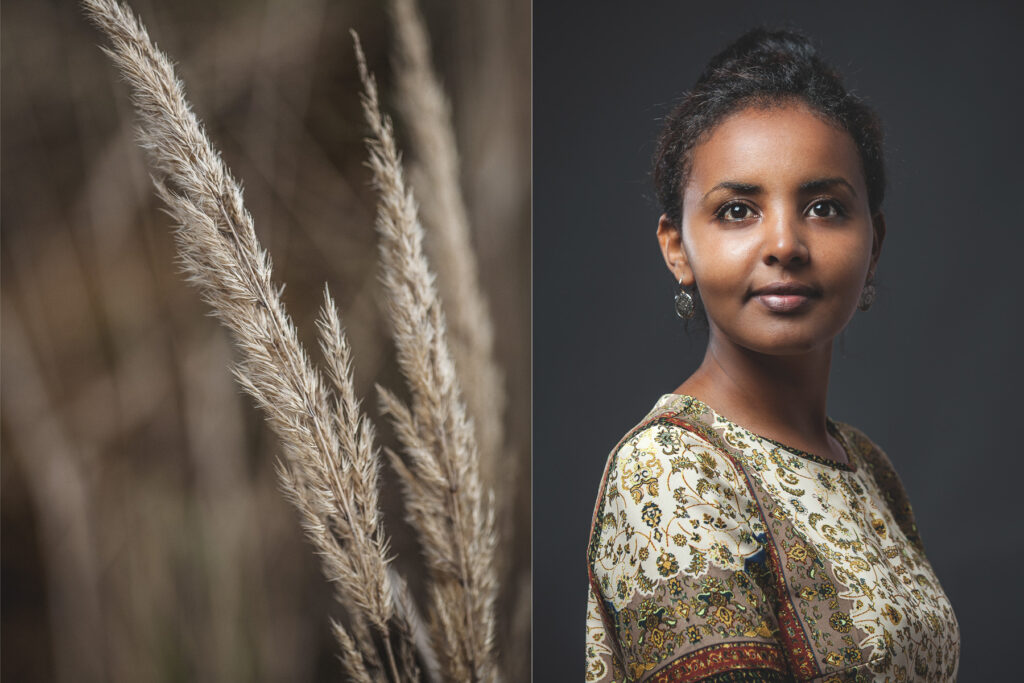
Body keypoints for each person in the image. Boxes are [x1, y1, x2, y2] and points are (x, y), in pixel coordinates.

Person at [585, 29, 960, 682]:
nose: (784, 243)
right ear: (677, 248)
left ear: (873, 245)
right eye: (737, 210)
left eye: (824, 207)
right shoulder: (670, 469)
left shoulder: (869, 467)